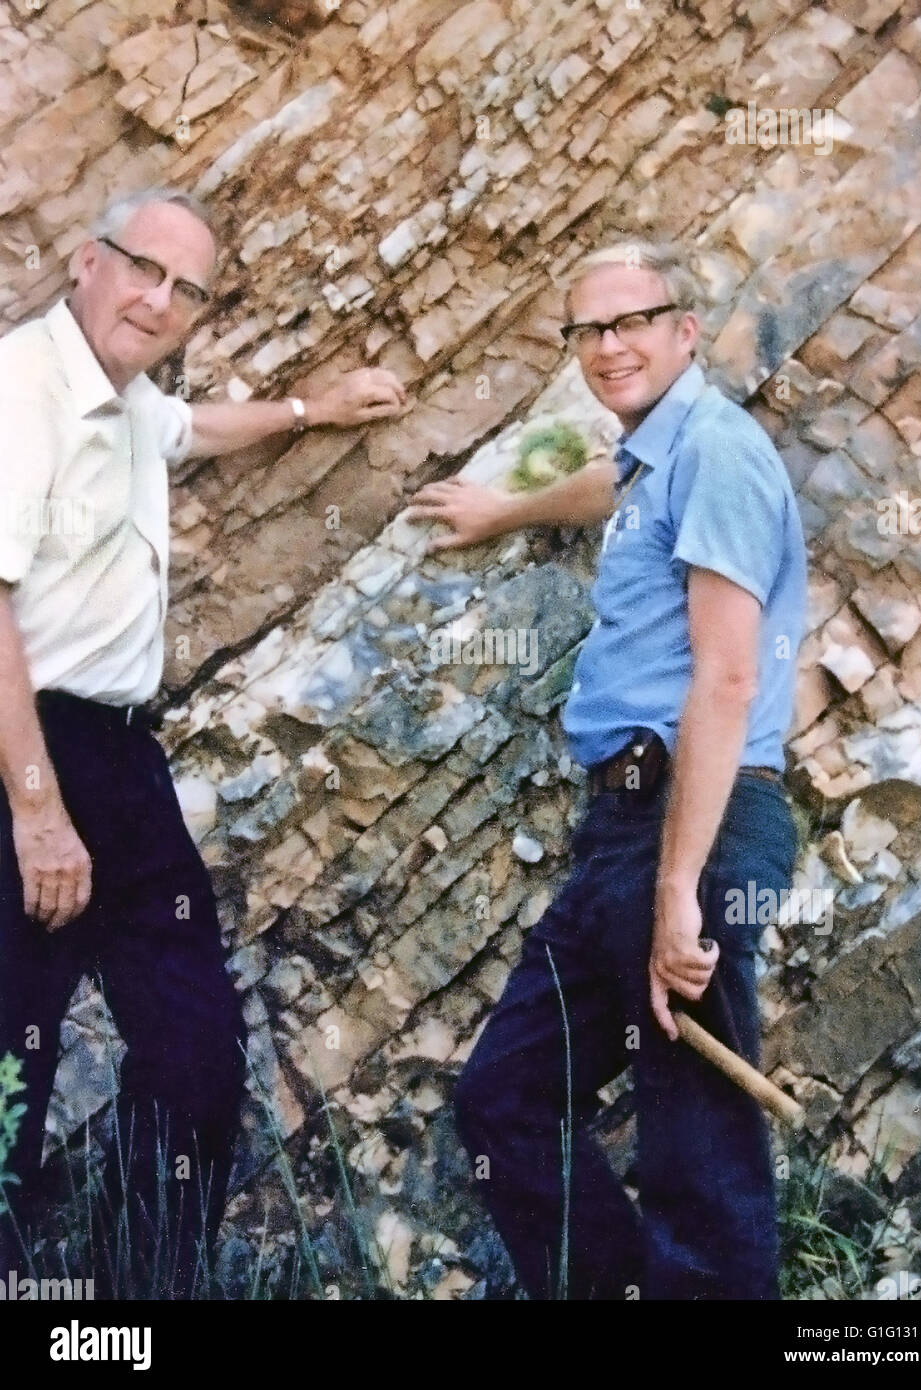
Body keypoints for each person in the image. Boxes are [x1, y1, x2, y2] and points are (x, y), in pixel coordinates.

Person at [0, 186, 408, 1297]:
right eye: (144, 269)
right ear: (88, 261)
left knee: (195, 1058)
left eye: (186, 289)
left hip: (124, 767)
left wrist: (311, 409)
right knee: (8, 1068)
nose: (160, 299)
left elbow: (191, 429)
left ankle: (136, 1292)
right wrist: (37, 810)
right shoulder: (20, 387)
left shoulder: (129, 402)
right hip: (23, 753)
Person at [415, 241, 807, 1299]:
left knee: (696, 1155)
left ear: (687, 330)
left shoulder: (718, 452)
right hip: (624, 831)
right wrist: (504, 508)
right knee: (507, 1097)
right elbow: (614, 491)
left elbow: (726, 678)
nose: (610, 345)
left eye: (636, 320)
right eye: (589, 328)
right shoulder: (660, 458)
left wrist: (680, 889)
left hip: (694, 818)